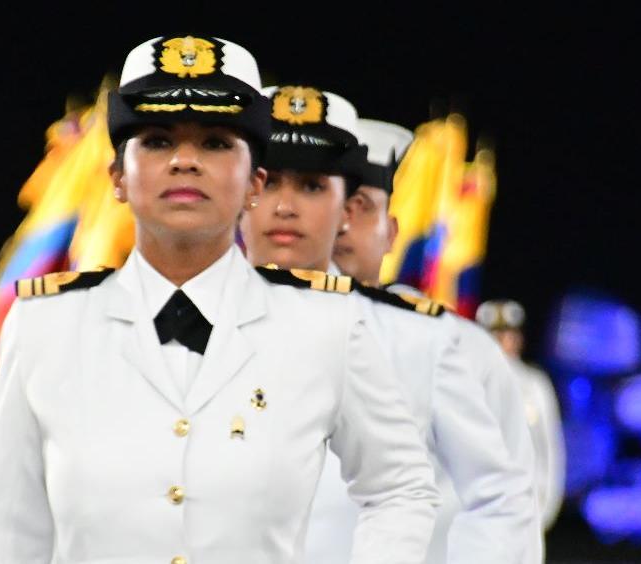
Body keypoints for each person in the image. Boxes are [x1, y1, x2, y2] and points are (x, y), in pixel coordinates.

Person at [0, 35, 438, 564]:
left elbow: (402, 489)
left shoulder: (323, 324)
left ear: (255, 181)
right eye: (158, 140)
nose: (185, 161)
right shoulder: (46, 326)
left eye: (215, 142)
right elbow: (7, 531)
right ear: (118, 178)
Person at [239, 90, 537, 563]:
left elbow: (500, 497)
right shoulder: (186, 318)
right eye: (269, 183)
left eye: (312, 186)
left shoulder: (427, 341)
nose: (285, 206)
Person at [475, 299, 566, 532]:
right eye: (494, 334)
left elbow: (549, 448)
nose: (503, 341)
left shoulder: (534, 385)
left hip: (522, 507)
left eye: (508, 333)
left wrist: (547, 506)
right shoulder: (466, 381)